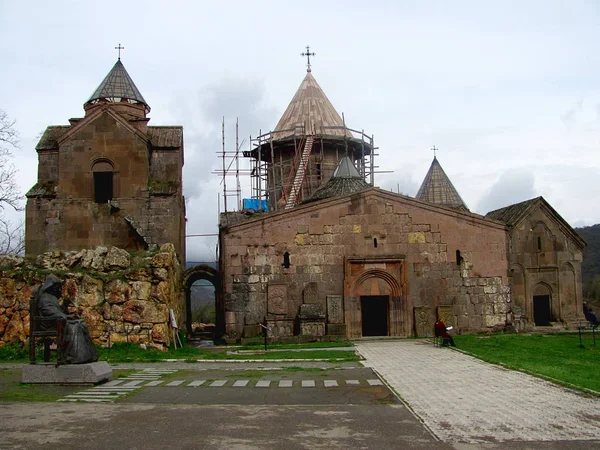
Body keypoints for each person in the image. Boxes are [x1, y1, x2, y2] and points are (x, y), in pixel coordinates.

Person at [35, 274, 99, 364]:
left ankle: (90, 355)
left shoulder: (52, 297)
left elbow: (57, 311)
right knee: (74, 326)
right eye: (56, 286)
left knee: (81, 323)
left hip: (57, 320)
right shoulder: (44, 297)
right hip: (48, 324)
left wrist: (65, 306)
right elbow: (49, 312)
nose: (58, 289)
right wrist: (66, 316)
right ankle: (73, 356)